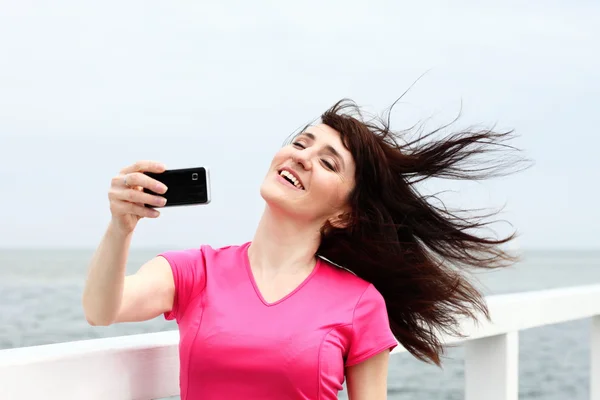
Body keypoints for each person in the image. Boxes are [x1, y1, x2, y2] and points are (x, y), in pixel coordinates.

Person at [82, 98, 527, 399]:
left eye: (328, 162)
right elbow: (103, 308)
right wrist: (121, 227)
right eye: (300, 143)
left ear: (344, 215)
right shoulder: (195, 272)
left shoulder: (359, 304)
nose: (301, 157)